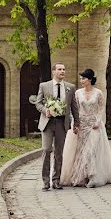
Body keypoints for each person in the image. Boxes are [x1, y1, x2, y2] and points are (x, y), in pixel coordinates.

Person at [59, 69, 111, 188]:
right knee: (80, 151)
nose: (81, 81)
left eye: (83, 78)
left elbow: (101, 108)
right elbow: (74, 109)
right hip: (81, 124)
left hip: (94, 125)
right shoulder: (78, 93)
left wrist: (98, 121)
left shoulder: (98, 93)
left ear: (90, 79)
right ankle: (81, 177)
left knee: (91, 151)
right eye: (80, 78)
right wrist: (74, 124)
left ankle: (92, 177)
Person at [34, 63, 78, 191]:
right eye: (59, 69)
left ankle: (56, 180)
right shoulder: (44, 86)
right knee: (47, 150)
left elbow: (74, 107)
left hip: (62, 124)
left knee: (59, 153)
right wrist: (44, 110)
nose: (62, 71)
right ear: (54, 71)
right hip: (47, 123)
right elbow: (38, 103)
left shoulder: (70, 87)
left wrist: (77, 123)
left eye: (64, 69)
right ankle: (46, 182)